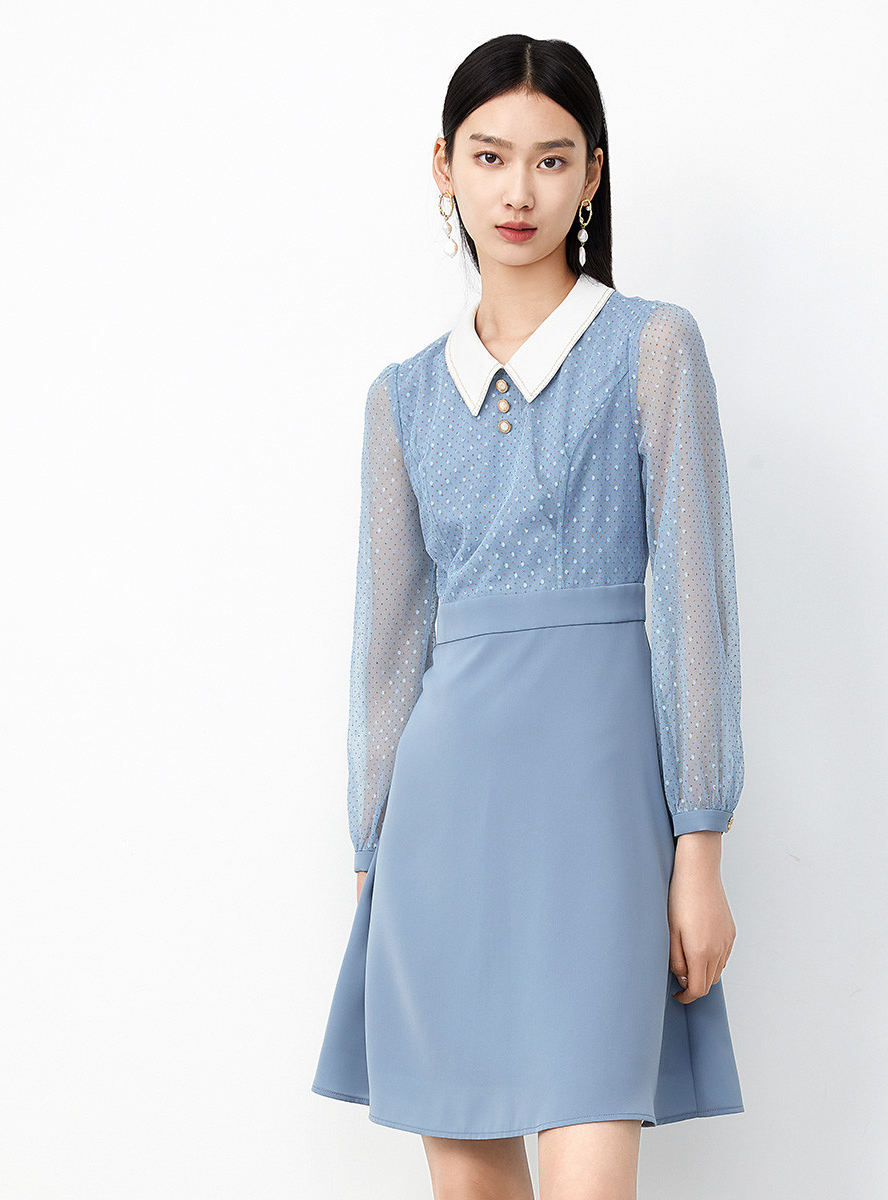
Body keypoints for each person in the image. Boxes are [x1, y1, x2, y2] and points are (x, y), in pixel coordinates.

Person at [312, 33, 746, 1200]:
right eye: (490, 156)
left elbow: (695, 608)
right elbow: (385, 652)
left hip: (600, 825)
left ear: (592, 174)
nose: (519, 191)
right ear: (443, 167)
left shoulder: (653, 347)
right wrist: (370, 863)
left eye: (552, 160)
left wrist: (699, 848)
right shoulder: (402, 399)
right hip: (439, 834)